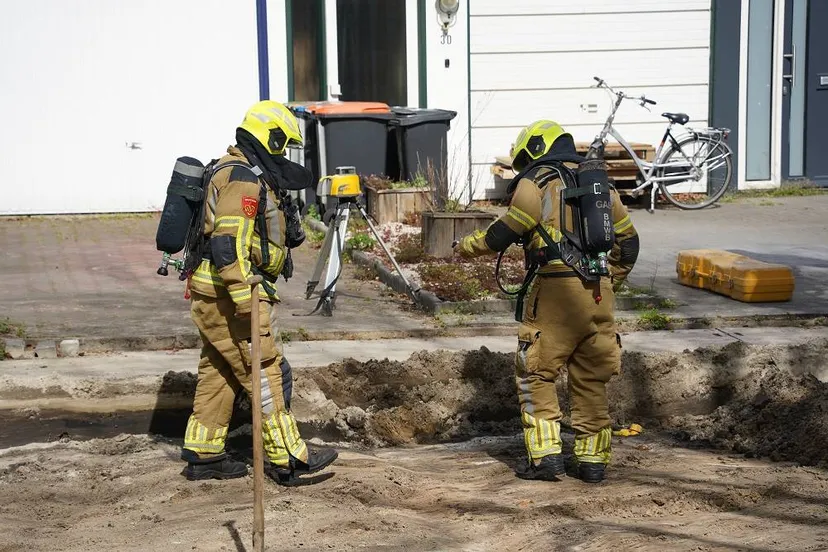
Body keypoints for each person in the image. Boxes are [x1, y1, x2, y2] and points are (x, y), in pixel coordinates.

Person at [454, 120, 639, 483]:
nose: (521, 167)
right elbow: (629, 244)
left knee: (536, 372)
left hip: (554, 293)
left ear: (535, 150)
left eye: (523, 160)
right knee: (591, 379)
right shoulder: (600, 186)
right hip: (599, 296)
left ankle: (545, 458)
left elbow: (511, 226)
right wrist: (609, 281)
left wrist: (466, 245)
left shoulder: (536, 180)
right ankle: (592, 462)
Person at [181, 100, 338, 485]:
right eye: (282, 144)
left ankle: (204, 454)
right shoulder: (244, 179)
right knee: (267, 371)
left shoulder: (233, 169)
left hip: (210, 291)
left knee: (220, 371)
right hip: (230, 295)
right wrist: (242, 298)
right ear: (270, 136)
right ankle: (288, 457)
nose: (283, 153)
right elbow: (227, 244)